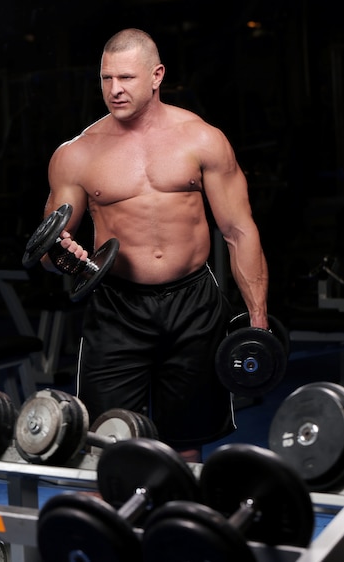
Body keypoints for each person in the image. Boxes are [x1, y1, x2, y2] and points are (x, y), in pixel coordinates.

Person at [40, 28, 269, 462]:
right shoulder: (76, 154)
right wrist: (63, 258)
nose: (114, 89)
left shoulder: (201, 138)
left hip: (193, 304)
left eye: (126, 77)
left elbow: (239, 231)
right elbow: (51, 248)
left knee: (185, 447)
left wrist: (257, 322)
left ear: (157, 75)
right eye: (106, 78)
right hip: (117, 308)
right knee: (104, 446)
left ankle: (176, 528)